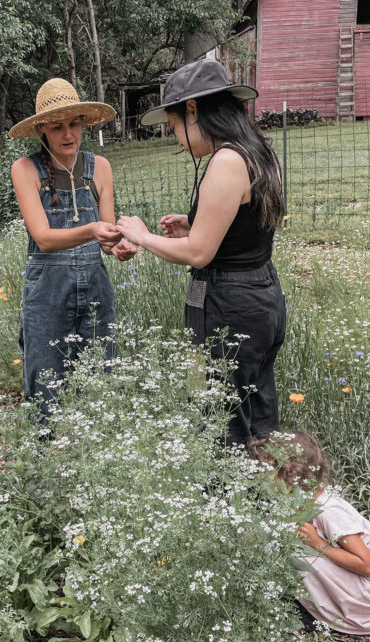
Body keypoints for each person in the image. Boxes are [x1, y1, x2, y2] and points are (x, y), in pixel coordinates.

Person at [116, 59, 286, 446]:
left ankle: (224, 483)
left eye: (174, 125)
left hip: (227, 303)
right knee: (257, 406)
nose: (177, 139)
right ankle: (269, 479)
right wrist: (194, 223)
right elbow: (246, 229)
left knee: (219, 414)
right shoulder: (257, 151)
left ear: (193, 110)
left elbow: (198, 254)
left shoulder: (225, 161)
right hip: (263, 297)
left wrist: (142, 236)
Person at [9, 79, 137, 418]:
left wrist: (117, 246)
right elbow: (44, 238)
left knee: (102, 379)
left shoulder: (100, 168)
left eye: (74, 124)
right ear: (42, 129)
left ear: (83, 123)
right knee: (46, 384)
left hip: (95, 287)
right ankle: (46, 447)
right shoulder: (26, 170)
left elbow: (106, 237)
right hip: (47, 293)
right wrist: (93, 230)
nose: (68, 134)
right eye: (57, 127)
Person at [250, 432, 370, 635]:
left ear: (289, 475)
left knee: (291, 549)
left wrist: (317, 543)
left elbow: (366, 566)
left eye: (267, 470)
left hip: (368, 591)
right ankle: (303, 601)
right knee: (277, 538)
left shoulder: (328, 511)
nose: (260, 475)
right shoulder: (298, 503)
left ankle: (322, 613)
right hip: (353, 580)